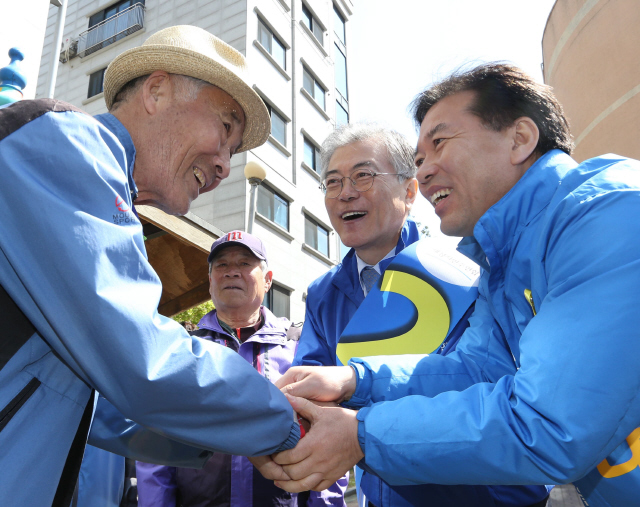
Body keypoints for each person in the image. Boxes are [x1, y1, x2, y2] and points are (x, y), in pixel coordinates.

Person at [270, 63, 640, 507]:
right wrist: (353, 380)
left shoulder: (607, 213)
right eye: (420, 158)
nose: (424, 172)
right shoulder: (499, 263)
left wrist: (363, 435)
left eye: (439, 144)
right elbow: (476, 370)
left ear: (519, 138)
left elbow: (548, 424)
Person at [0, 25, 297, 506]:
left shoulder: (98, 185)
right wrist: (287, 421)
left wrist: (239, 435)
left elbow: (93, 405)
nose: (224, 165)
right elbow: (143, 360)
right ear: (156, 91)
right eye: (225, 128)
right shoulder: (67, 145)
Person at [292, 123, 549, 507]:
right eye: (332, 182)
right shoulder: (322, 295)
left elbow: (488, 383)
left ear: (409, 191)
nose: (346, 193)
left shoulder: (464, 271)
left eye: (363, 176)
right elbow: (313, 393)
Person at [136, 231, 347, 507]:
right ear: (210, 281)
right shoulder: (181, 349)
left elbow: (329, 440)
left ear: (268, 280)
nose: (231, 272)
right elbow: (155, 447)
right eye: (221, 265)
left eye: (245, 263)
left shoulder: (301, 346)